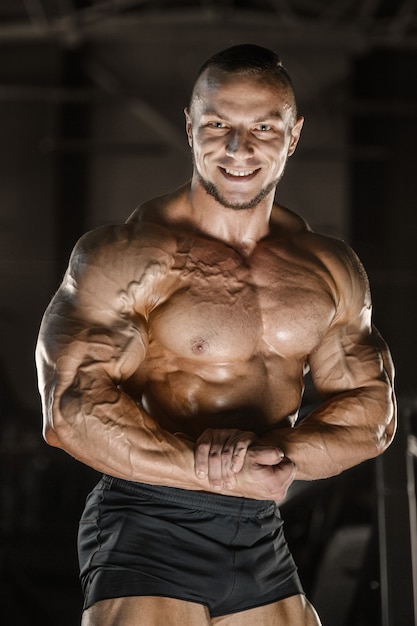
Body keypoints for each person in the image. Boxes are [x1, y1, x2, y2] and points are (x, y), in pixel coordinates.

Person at [35, 44, 396, 626]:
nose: (237, 149)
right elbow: (70, 410)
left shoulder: (330, 267)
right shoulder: (126, 255)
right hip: (148, 519)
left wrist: (276, 457)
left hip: (256, 523)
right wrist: (207, 467)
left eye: (262, 128)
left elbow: (372, 412)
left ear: (294, 134)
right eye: (217, 125)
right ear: (189, 125)